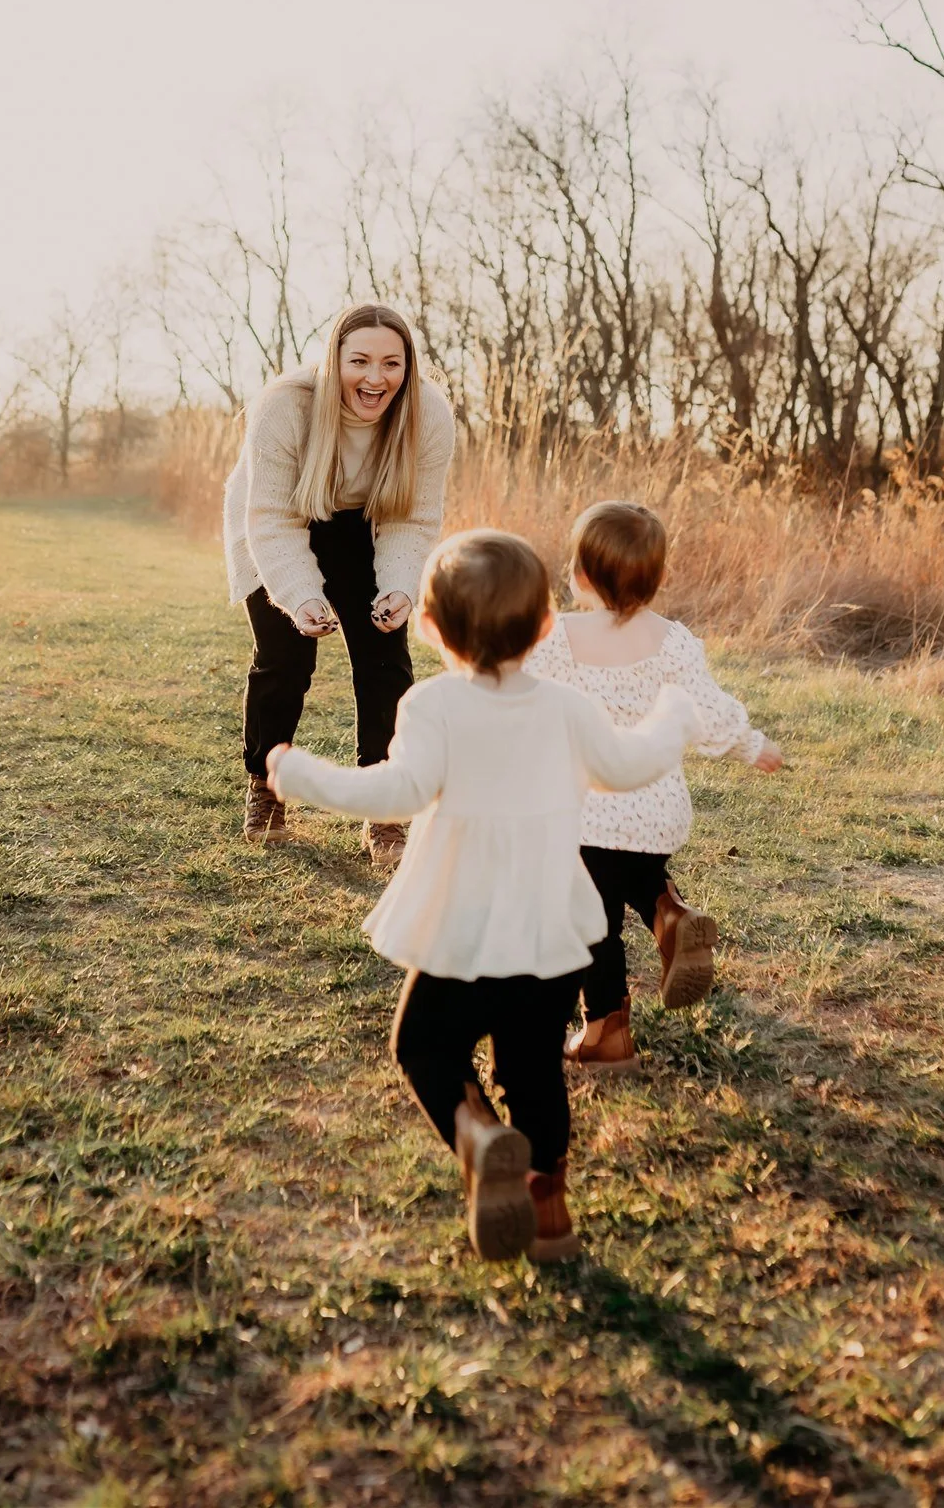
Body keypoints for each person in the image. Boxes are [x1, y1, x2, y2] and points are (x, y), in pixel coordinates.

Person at [267, 529, 700, 1263]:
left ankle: (474, 1132)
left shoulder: (432, 706)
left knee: (423, 1047)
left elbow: (394, 789)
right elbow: (631, 765)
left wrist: (299, 772)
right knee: (531, 1068)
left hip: (461, 932)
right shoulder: (567, 708)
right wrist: (672, 715)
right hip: (551, 933)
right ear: (542, 627)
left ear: (429, 628)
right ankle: (547, 1203)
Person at [525, 500, 783, 1073]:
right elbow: (710, 712)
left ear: (580, 575)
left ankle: (606, 1034)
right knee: (633, 868)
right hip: (658, 810)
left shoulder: (557, 639)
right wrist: (751, 745)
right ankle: (667, 913)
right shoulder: (674, 641)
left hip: (587, 814)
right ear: (659, 578)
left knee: (593, 922)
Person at [224, 303, 455, 867]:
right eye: (360, 361)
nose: (375, 379)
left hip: (365, 522)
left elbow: (413, 519)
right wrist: (301, 596)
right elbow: (272, 518)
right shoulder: (285, 406)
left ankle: (386, 805)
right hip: (276, 516)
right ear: (334, 360)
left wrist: (401, 585)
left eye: (391, 364)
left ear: (409, 367)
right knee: (284, 658)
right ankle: (266, 785)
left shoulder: (429, 414)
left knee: (385, 658)